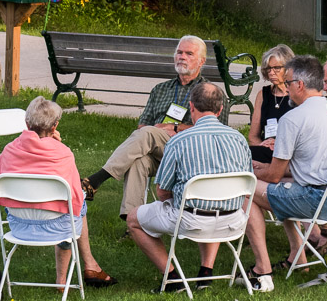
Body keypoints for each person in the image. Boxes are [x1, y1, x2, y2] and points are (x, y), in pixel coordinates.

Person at [81, 36, 229, 222]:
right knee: (139, 159)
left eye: (189, 53)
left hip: (191, 152)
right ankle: (133, 222)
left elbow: (217, 131)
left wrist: (175, 128)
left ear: (201, 61)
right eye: (179, 52)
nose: (182, 56)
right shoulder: (160, 89)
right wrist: (159, 132)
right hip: (160, 150)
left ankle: (96, 180)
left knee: (147, 139)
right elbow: (142, 125)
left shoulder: (210, 92)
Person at [244, 56, 327, 292]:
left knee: (245, 189)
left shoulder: (293, 118)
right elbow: (294, 171)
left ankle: (261, 270)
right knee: (282, 190)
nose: (286, 88)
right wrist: (265, 170)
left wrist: (252, 169)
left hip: (322, 202)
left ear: (300, 85)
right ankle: (299, 257)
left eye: (288, 82)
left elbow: (273, 175)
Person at [126, 83, 252, 293]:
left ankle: (172, 278)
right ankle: (206, 272)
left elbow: (162, 192)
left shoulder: (179, 140)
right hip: (234, 221)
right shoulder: (239, 139)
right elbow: (247, 186)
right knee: (215, 200)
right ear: (220, 110)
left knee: (133, 219)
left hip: (191, 220)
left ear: (191, 107)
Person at [0, 96, 116, 288]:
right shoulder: (63, 154)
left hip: (18, 226)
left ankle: (87, 267)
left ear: (26, 123)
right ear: (55, 126)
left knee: (74, 205)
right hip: (57, 229)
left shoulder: (8, 151)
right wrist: (55, 144)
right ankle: (64, 279)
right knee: (78, 203)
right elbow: (73, 198)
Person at [248, 44, 296, 163]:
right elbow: (253, 136)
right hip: (266, 149)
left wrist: (278, 145)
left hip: (290, 153)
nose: (271, 72)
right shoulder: (263, 95)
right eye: (268, 68)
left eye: (276, 68)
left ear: (288, 69)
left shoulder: (297, 95)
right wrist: (263, 145)